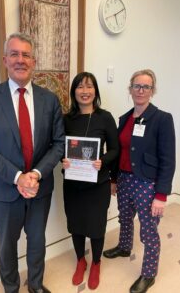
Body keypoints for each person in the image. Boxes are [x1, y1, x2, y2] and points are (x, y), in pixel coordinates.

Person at [0, 32, 64, 293]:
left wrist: (35, 174)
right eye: (14, 54)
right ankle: (11, 289)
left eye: (26, 55)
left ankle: (35, 286)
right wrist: (17, 177)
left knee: (37, 242)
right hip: (4, 190)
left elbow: (58, 144)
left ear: (34, 61)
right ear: (5, 59)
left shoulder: (50, 99)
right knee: (7, 246)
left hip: (40, 188)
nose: (20, 60)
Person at [103, 69, 176, 293]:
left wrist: (161, 195)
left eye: (146, 86)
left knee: (148, 230)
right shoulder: (125, 118)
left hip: (147, 184)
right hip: (124, 180)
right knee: (125, 219)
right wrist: (113, 179)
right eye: (137, 86)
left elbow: (168, 159)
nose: (141, 90)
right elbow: (118, 151)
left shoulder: (162, 119)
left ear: (152, 91)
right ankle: (125, 248)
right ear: (130, 89)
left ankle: (149, 273)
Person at [62, 72, 119, 290]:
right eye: (80, 87)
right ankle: (80, 260)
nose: (85, 91)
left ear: (95, 91)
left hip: (98, 184)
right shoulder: (66, 119)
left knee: (96, 226)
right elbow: (59, 147)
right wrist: (63, 160)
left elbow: (115, 149)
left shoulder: (105, 117)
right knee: (76, 225)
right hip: (73, 185)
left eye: (89, 87)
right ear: (74, 91)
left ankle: (95, 262)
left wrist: (102, 161)